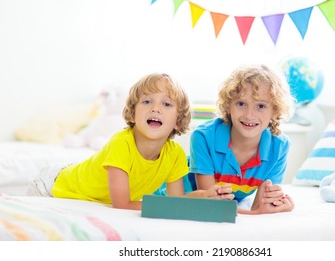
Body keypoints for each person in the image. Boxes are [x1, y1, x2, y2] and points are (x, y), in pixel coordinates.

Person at [28, 73, 233, 210]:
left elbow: (175, 204)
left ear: (178, 122)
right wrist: (182, 202)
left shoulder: (175, 155)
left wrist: (201, 197)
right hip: (52, 184)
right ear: (133, 114)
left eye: (167, 104)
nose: (155, 108)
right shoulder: (121, 144)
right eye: (146, 101)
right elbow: (122, 205)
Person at [189, 64, 295, 215]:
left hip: (230, 202)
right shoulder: (204, 137)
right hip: (182, 197)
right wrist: (256, 214)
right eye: (241, 103)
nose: (249, 115)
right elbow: (210, 204)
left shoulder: (279, 147)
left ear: (275, 110)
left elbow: (259, 205)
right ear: (228, 105)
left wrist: (277, 205)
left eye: (261, 106)